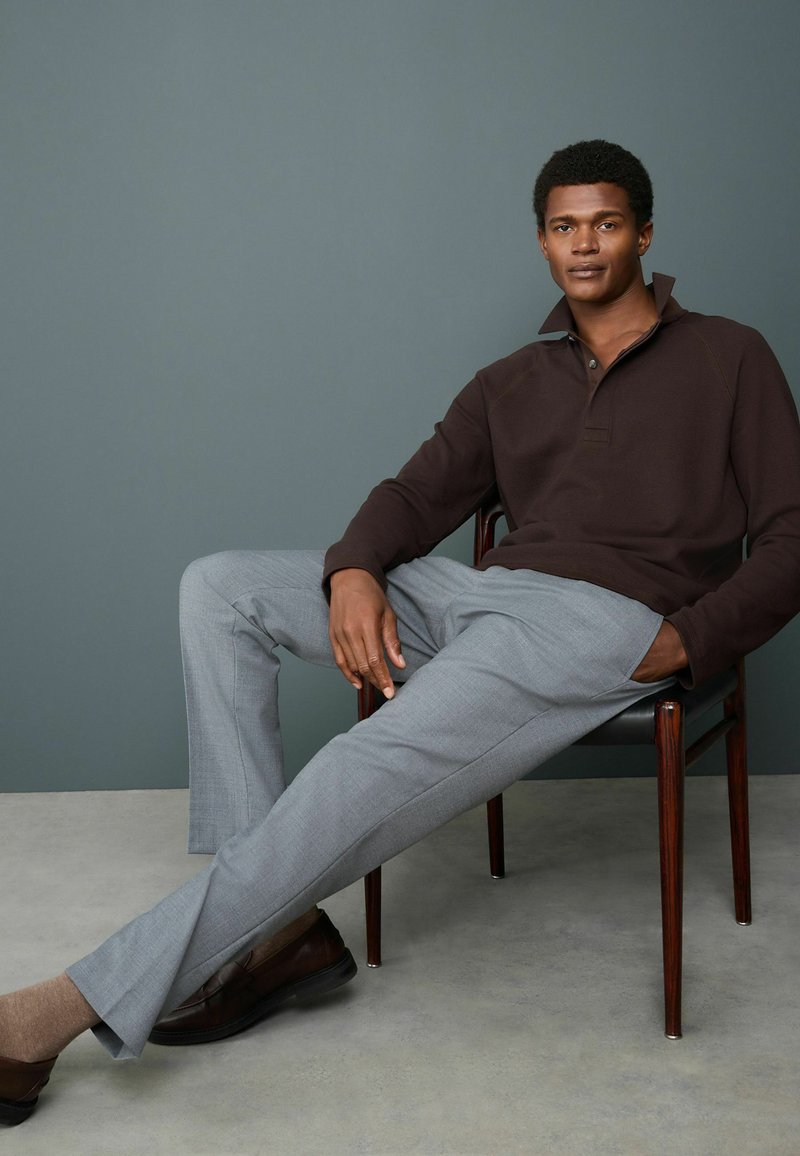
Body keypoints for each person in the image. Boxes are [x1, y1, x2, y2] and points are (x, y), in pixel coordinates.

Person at [2, 139, 800, 1126]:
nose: (584, 244)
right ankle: (272, 928)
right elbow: (415, 495)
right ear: (542, 241)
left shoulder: (729, 356)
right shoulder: (510, 381)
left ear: (643, 233)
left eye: (604, 224)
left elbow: (790, 538)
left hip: (598, 625)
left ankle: (49, 1014)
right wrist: (353, 570)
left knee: (355, 766)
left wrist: (687, 641)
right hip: (477, 597)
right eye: (563, 226)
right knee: (220, 589)